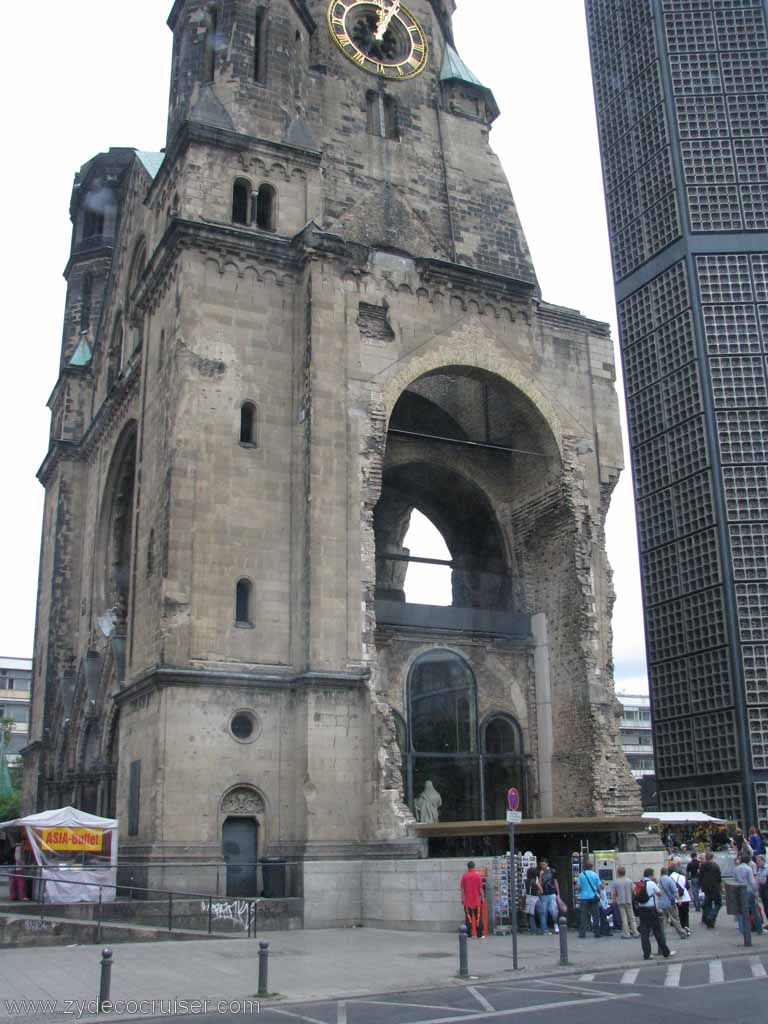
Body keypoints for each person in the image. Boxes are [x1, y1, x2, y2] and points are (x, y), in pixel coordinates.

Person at [635, 867, 676, 962]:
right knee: (658, 931)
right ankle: (665, 952)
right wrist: (655, 883)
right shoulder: (651, 883)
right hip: (651, 910)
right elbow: (660, 894)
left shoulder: (639, 883)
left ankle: (647, 954)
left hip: (642, 910)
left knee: (644, 933)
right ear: (650, 875)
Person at [734, 850, 763, 937]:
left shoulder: (736, 868)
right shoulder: (748, 868)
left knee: (740, 911)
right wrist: (756, 892)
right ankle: (759, 929)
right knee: (754, 910)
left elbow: (734, 879)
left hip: (739, 890)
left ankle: (742, 930)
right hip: (748, 891)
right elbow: (752, 882)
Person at [611, 865, 640, 939]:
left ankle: (626, 933)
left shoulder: (616, 882)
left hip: (620, 901)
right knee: (632, 917)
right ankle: (635, 932)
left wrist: (614, 901)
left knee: (624, 918)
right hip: (629, 900)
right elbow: (633, 891)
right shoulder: (629, 881)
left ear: (618, 873)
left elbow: (614, 893)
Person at [658, 867, 687, 939]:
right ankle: (682, 933)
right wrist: (679, 900)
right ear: (667, 872)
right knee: (675, 919)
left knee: (663, 920)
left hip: (661, 903)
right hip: (670, 902)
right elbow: (675, 891)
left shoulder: (659, 880)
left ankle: (662, 935)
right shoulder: (670, 880)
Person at [577, 859, 602, 938]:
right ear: (592, 867)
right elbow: (599, 887)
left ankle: (582, 933)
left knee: (583, 915)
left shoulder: (581, 875)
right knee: (595, 915)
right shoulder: (595, 875)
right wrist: (599, 894)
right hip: (593, 897)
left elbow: (578, 887)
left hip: (584, 897)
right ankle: (597, 932)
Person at [460, 861, 485, 939]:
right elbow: (481, 888)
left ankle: (469, 934)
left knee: (468, 919)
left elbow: (462, 889)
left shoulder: (464, 876)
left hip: (467, 902)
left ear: (468, 867)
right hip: (477, 901)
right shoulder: (477, 876)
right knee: (478, 918)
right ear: (474, 867)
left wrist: (462, 899)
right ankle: (479, 934)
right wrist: (483, 898)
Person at [698, 851, 723, 929]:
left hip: (706, 887)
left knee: (708, 904)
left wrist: (701, 885)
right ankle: (711, 916)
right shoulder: (715, 866)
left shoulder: (702, 866)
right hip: (715, 887)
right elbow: (719, 878)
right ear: (712, 858)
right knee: (718, 903)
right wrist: (720, 886)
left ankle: (709, 920)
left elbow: (700, 877)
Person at [538, 859, 561, 935]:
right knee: (543, 912)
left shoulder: (552, 871)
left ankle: (555, 923)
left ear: (547, 864)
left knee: (554, 910)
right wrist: (540, 875)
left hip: (551, 893)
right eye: (541, 864)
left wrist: (558, 893)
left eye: (544, 864)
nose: (542, 866)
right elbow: (540, 884)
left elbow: (555, 882)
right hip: (544, 894)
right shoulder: (541, 872)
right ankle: (545, 930)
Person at [670, 861, 692, 935]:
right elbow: (688, 887)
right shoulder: (682, 877)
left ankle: (681, 928)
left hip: (676, 898)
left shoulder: (669, 878)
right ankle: (686, 926)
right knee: (685, 913)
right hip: (685, 897)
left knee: (678, 914)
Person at [525, 865, 543, 935]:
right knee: (542, 914)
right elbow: (541, 890)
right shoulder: (535, 880)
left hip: (529, 899)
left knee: (531, 916)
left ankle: (533, 932)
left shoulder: (526, 881)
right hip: (536, 898)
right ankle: (544, 930)